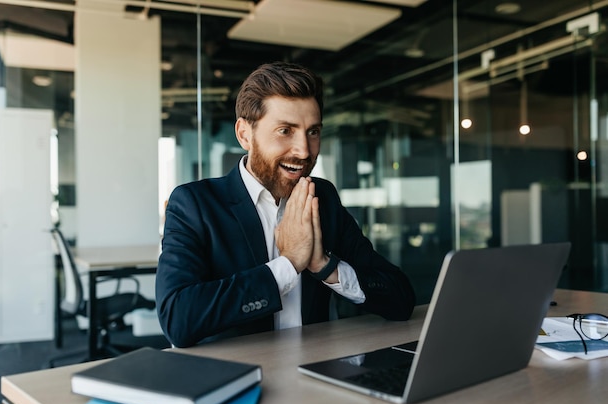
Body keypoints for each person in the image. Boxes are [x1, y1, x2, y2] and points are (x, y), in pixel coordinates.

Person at [155, 62, 415, 347]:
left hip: (316, 372)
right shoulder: (195, 204)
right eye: (285, 131)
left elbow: (400, 298)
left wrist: (324, 266)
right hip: (239, 379)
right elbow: (177, 320)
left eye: (313, 132)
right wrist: (289, 264)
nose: (304, 150)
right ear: (244, 134)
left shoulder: (322, 197)